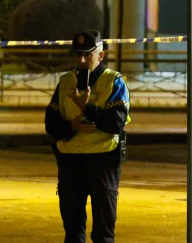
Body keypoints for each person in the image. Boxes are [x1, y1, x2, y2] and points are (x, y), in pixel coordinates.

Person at [45, 31, 131, 243]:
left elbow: (116, 123)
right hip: (70, 162)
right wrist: (72, 126)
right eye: (77, 55)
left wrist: (86, 106)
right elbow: (51, 124)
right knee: (72, 231)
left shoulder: (114, 81)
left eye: (87, 55)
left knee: (103, 232)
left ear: (100, 56)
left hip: (103, 161)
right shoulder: (66, 82)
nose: (81, 60)